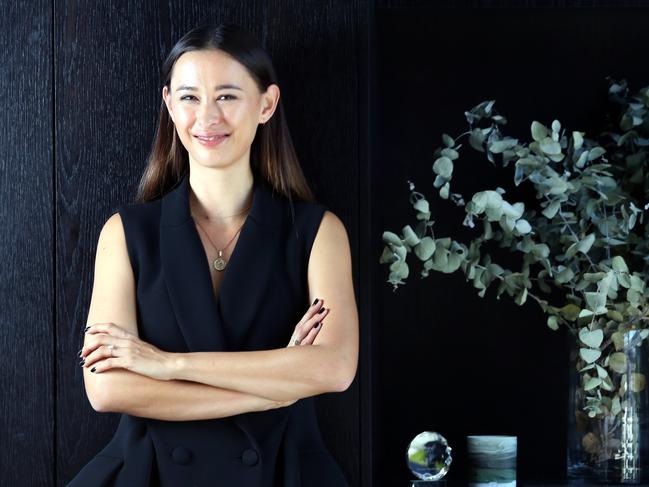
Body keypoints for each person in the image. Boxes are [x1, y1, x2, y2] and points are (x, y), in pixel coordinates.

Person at [67, 23, 358, 487]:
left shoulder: (318, 231)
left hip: (284, 473)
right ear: (168, 105)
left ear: (266, 104)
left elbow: (334, 367)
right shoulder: (125, 233)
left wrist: (167, 365)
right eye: (189, 97)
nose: (206, 117)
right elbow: (107, 388)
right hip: (149, 474)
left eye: (226, 96)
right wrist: (275, 391)